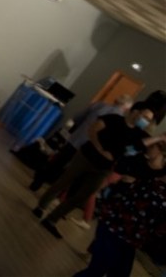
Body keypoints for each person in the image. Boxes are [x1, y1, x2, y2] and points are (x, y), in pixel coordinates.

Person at [34, 101, 160, 238]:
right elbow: (93, 130)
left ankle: (52, 219)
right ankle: (41, 206)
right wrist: (100, 149)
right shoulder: (113, 119)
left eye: (148, 120)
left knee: (83, 195)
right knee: (64, 181)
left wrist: (159, 138)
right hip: (87, 156)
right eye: (145, 117)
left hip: (104, 168)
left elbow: (139, 146)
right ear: (135, 111)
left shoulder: (138, 134)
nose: (145, 121)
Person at [73, 149, 165, 277]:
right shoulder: (151, 179)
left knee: (116, 273)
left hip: (129, 238)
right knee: (96, 270)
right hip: (115, 228)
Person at [29, 95, 133, 192]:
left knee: (59, 161)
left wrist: (80, 128)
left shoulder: (99, 105)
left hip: (76, 138)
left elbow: (78, 117)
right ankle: (56, 189)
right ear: (127, 108)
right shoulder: (120, 120)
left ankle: (39, 179)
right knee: (73, 171)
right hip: (90, 147)